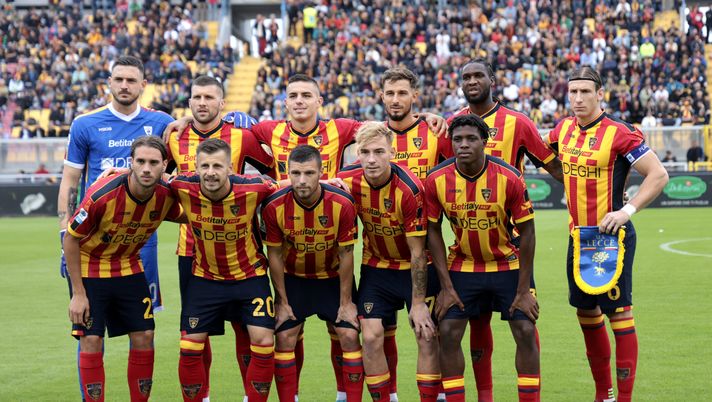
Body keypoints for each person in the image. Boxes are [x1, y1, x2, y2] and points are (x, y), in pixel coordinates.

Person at [165, 73, 446, 402]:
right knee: (257, 334)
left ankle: (352, 394)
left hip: (330, 243)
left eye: (306, 95)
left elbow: (382, 127)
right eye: (293, 95)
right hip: (266, 246)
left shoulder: (340, 129)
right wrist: (190, 116)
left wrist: (424, 117)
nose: (299, 101)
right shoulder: (267, 131)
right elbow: (220, 124)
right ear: (285, 102)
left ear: (319, 101)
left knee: (348, 331)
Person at [545, 67, 668, 402]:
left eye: (586, 91)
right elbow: (542, 154)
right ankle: (604, 394)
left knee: (619, 314)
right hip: (576, 237)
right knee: (585, 313)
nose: (579, 98)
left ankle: (623, 399)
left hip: (610, 238)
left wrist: (625, 211)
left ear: (601, 94)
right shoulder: (562, 130)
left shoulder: (619, 132)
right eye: (573, 92)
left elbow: (658, 175)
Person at [58, 55, 174, 400]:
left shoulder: (161, 123)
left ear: (143, 85)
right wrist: (65, 230)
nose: (124, 86)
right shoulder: (85, 123)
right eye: (118, 79)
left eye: (131, 80)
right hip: (90, 236)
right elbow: (70, 180)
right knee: (91, 333)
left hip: (139, 245)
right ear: (109, 82)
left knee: (143, 331)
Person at [449, 58, 563, 401]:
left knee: (523, 321)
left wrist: (594, 195)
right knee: (476, 323)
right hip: (468, 243)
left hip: (510, 241)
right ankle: (486, 396)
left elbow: (553, 165)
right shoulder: (453, 124)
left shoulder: (518, 123)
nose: (472, 81)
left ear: (492, 80)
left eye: (478, 75)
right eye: (466, 76)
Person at [166, 75, 274, 402]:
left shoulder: (241, 136)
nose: (202, 103)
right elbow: (158, 174)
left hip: (240, 245)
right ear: (189, 101)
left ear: (221, 103)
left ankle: (249, 395)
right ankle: (204, 395)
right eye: (196, 97)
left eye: (209, 98)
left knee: (247, 327)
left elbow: (274, 169)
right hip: (193, 249)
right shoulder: (174, 135)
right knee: (196, 332)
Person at [426, 114, 540, 402]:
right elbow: (432, 231)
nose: (463, 145)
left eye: (471, 139)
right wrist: (446, 288)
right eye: (457, 140)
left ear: (485, 142)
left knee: (525, 329)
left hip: (507, 263)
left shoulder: (509, 177)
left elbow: (527, 233)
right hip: (463, 264)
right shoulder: (436, 179)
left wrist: (524, 290)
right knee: (449, 330)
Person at [65, 137, 182, 402]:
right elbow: (70, 238)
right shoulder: (102, 194)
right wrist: (78, 294)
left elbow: (193, 208)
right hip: (90, 269)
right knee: (92, 340)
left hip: (129, 267)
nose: (146, 169)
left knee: (145, 335)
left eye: (153, 163)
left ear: (165, 165)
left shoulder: (167, 194)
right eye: (140, 161)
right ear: (131, 162)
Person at [337, 122, 441, 402]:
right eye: (365, 152)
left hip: (415, 268)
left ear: (392, 153)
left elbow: (418, 252)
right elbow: (312, 183)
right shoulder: (347, 178)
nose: (372, 159)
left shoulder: (409, 188)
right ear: (357, 153)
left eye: (379, 152)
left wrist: (418, 304)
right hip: (376, 268)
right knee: (370, 336)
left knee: (426, 334)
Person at [262, 145, 363, 402]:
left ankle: (345, 397)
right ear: (288, 172)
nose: (302, 180)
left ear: (321, 173)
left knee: (349, 334)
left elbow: (346, 254)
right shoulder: (274, 205)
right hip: (295, 279)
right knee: (284, 337)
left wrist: (346, 302)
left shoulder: (342, 203)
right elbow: (273, 254)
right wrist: (282, 302)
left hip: (332, 279)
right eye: (296, 173)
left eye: (309, 173)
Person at [377, 66, 454, 402]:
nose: (396, 100)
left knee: (429, 333)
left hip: (427, 253)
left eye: (402, 93)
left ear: (414, 97)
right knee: (379, 332)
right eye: (390, 93)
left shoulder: (435, 132)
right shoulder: (374, 137)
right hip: (380, 256)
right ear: (382, 96)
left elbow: (458, 176)